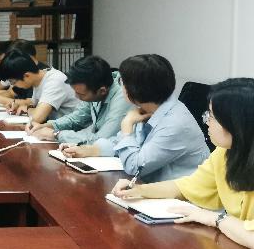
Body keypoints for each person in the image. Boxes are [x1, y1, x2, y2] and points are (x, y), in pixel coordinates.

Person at [112, 78, 254, 249]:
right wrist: (139, 190)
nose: (206, 121)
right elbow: (185, 187)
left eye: (211, 116)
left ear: (236, 124)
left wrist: (215, 219)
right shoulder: (224, 153)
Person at [65, 54, 209, 183]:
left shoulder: (175, 124)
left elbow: (134, 167)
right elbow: (124, 144)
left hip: (183, 199)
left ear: (133, 90)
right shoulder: (150, 107)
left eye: (121, 82)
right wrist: (90, 150)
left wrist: (127, 126)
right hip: (151, 188)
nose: (119, 85)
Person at [28, 55, 131, 144]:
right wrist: (49, 126)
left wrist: (56, 134)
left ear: (102, 91)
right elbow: (77, 118)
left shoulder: (123, 96)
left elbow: (102, 140)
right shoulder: (96, 86)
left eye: (81, 94)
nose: (77, 97)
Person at [0, 49, 80, 124]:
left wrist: (27, 109)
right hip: (58, 126)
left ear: (27, 76)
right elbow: (34, 103)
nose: (13, 85)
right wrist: (17, 105)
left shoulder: (54, 80)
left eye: (13, 82)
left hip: (73, 130)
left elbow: (38, 117)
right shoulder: (40, 79)